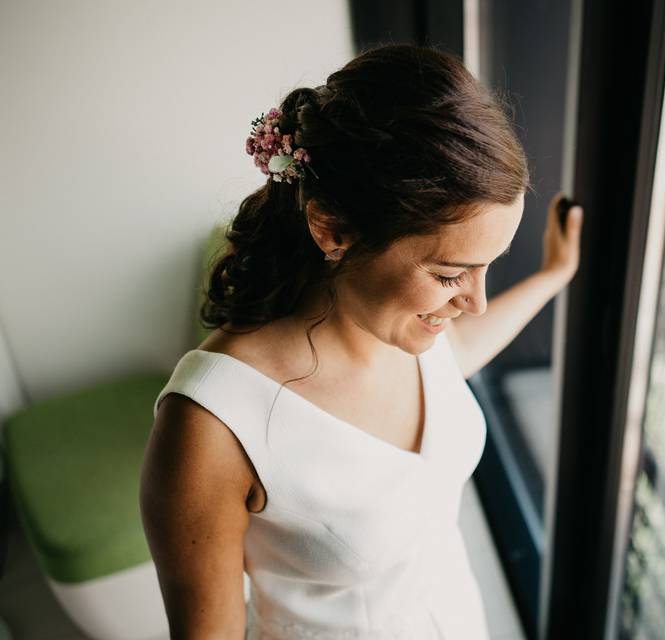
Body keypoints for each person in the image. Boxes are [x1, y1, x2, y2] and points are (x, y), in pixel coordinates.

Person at [139, 43, 584, 639]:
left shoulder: (417, 331)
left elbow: (472, 342)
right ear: (333, 229)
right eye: (451, 274)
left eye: (490, 266)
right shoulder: (211, 426)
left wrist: (554, 276)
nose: (473, 301)